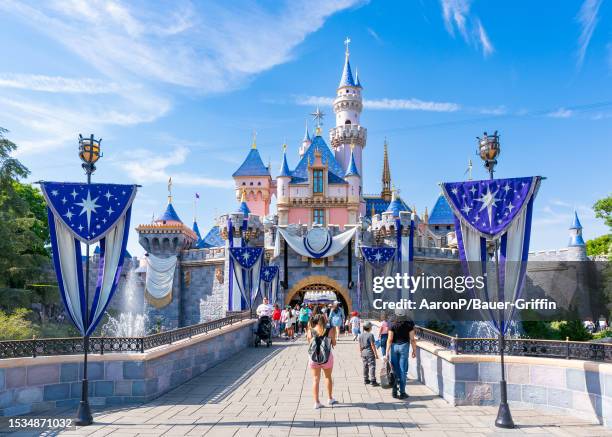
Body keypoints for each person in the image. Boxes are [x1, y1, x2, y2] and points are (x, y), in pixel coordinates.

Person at [385, 309, 417, 400]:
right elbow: (412, 339)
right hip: (404, 347)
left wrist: (387, 352)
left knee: (394, 369)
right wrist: (414, 350)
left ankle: (394, 392)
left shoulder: (391, 322)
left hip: (394, 347)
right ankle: (402, 392)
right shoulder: (409, 322)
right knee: (403, 370)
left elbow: (390, 339)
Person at [307, 314, 337, 409]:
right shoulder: (329, 330)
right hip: (327, 357)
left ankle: (316, 402)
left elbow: (309, 343)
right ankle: (330, 398)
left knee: (315, 379)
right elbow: (334, 344)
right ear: (325, 321)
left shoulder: (310, 330)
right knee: (328, 377)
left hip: (314, 358)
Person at [358, 321, 379, 386]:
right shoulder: (370, 335)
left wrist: (360, 352)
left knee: (365, 366)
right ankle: (373, 380)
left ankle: (366, 379)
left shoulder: (360, 335)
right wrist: (376, 354)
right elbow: (372, 345)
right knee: (372, 366)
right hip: (369, 352)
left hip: (363, 352)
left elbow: (360, 345)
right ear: (369, 328)